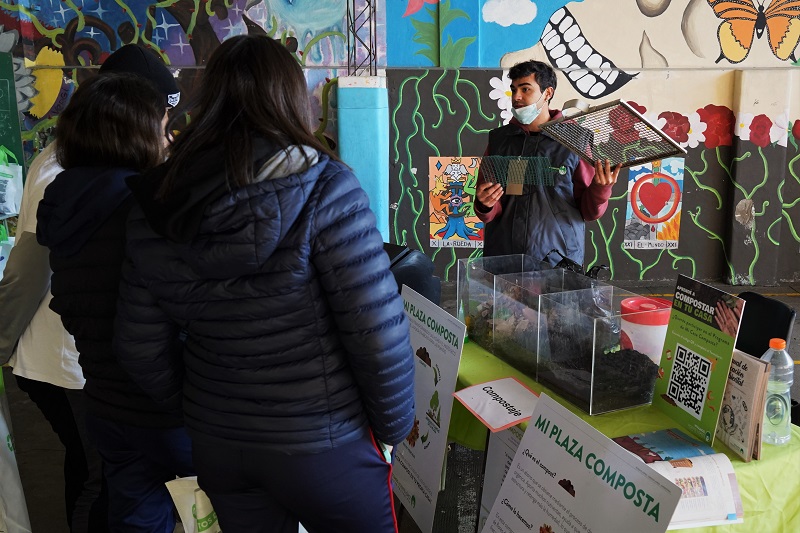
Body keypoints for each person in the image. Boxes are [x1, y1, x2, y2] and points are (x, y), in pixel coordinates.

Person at [113, 35, 415, 533]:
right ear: (291, 98)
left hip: (221, 446)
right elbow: (377, 333)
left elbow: (138, 345)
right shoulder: (325, 186)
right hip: (326, 443)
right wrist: (394, 427)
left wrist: (200, 409)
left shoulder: (157, 200)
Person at [0, 43, 181, 532]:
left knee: (99, 473)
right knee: (98, 481)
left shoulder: (91, 170)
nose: (165, 133)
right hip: (65, 363)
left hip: (87, 361)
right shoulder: (62, 174)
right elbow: (28, 271)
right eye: (158, 118)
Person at [474, 60, 620, 266]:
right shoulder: (500, 140)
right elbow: (495, 205)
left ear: (547, 93)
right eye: (514, 89)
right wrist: (485, 204)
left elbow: (589, 211)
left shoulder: (575, 140)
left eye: (525, 89)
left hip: (557, 260)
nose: (516, 97)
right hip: (504, 257)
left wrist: (600, 189)